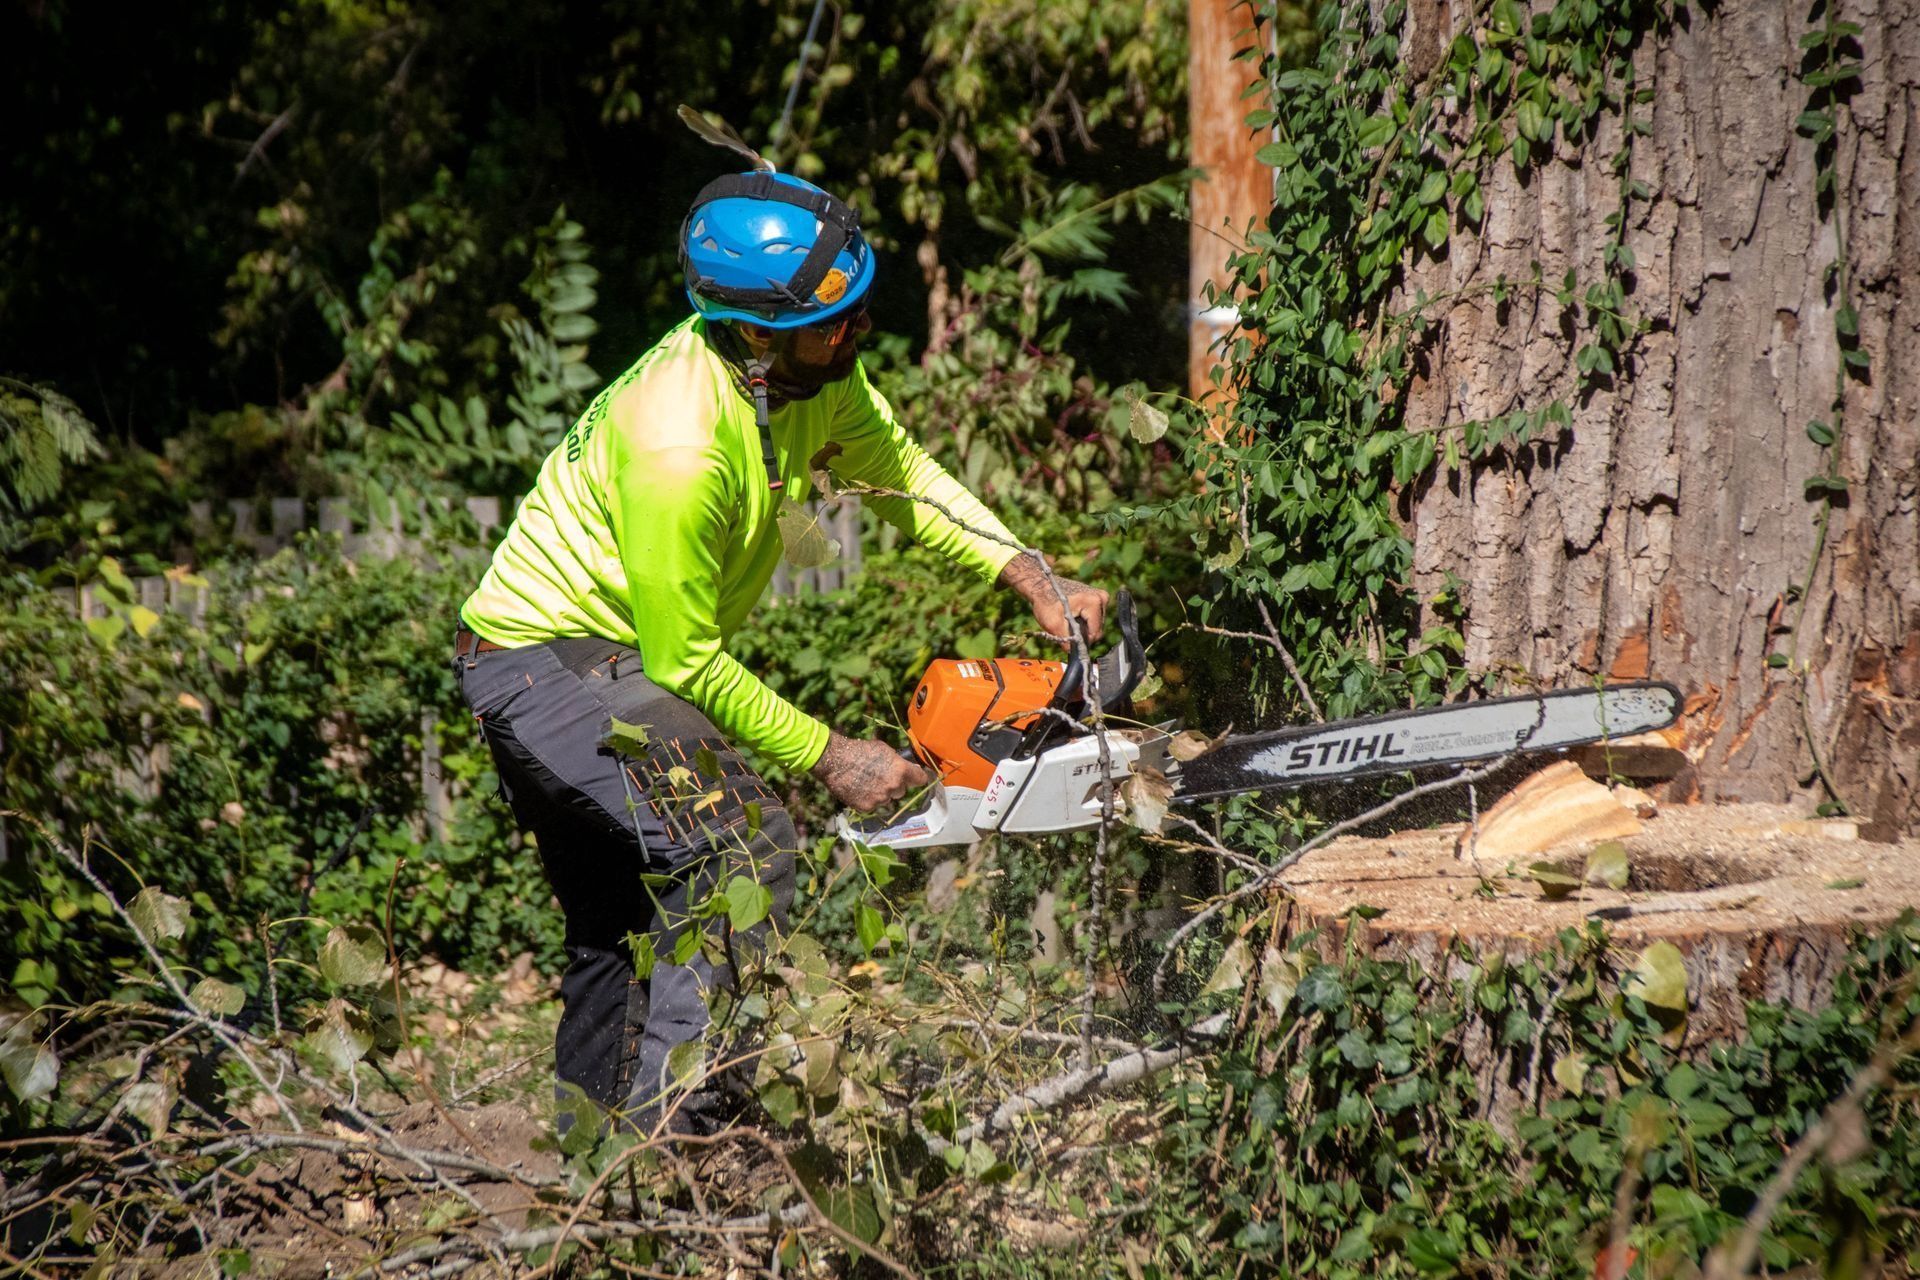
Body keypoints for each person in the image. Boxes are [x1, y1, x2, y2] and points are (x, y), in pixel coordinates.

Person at [451, 169, 1108, 1132]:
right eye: (834, 320)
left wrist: (1032, 578)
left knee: (620, 917)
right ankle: (687, 1140)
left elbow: (904, 476)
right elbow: (685, 665)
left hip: (585, 658)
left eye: (857, 309)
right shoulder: (680, 445)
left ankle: (595, 1166)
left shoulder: (807, 376)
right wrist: (832, 755)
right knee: (738, 851)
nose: (857, 333)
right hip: (549, 663)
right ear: (757, 331)